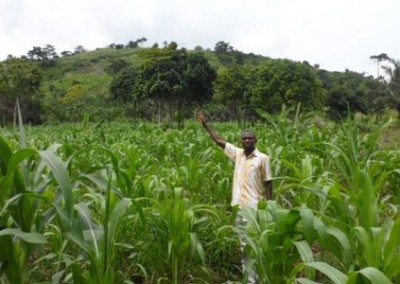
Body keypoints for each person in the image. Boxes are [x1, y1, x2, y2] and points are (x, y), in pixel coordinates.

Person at [196, 111, 272, 284]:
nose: (246, 141)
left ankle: (258, 278)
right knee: (244, 245)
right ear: (241, 141)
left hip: (254, 209)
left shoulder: (263, 159)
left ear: (255, 141)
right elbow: (219, 141)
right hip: (238, 208)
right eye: (244, 139)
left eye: (250, 138)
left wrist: (269, 207)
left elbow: (268, 183)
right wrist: (206, 125)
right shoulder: (237, 154)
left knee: (255, 244)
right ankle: (251, 279)